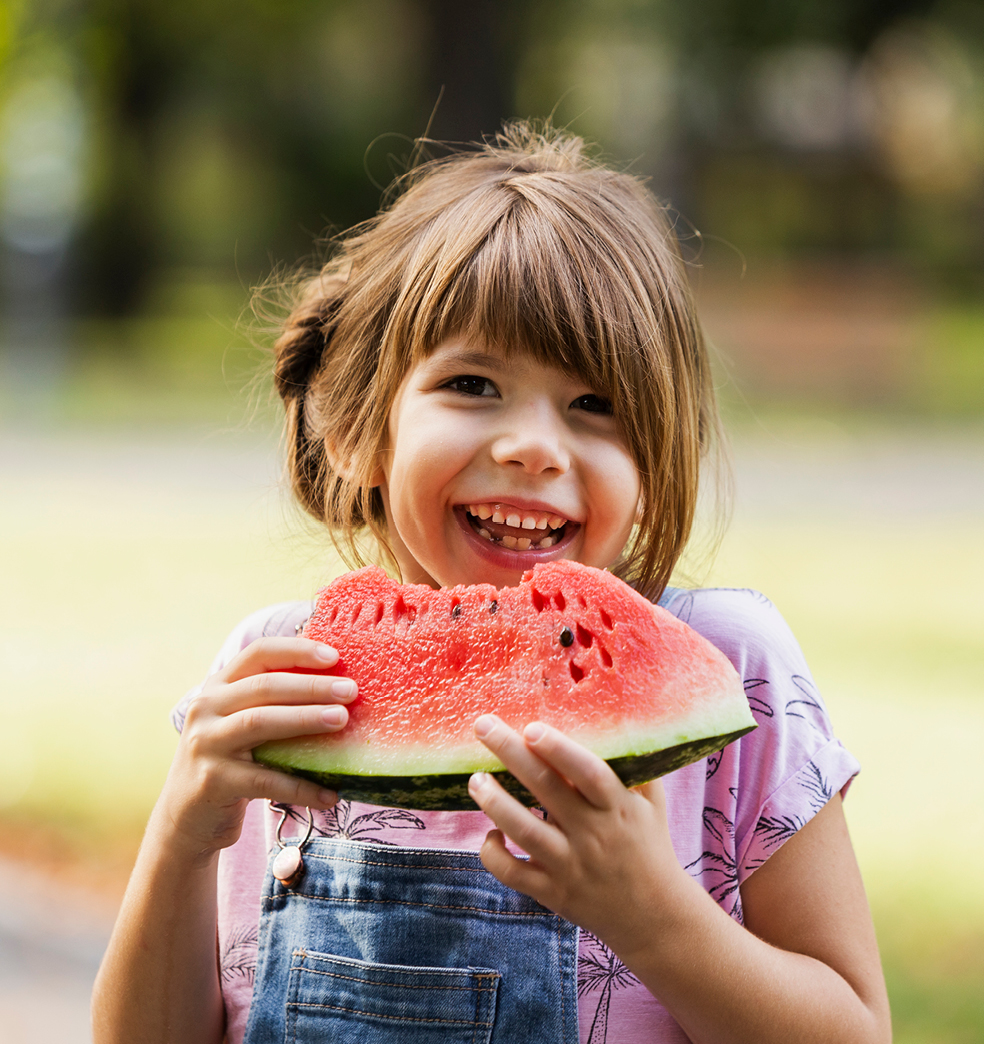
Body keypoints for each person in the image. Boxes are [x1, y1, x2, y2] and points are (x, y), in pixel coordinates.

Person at [92, 124, 891, 1044]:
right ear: (357, 427)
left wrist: (651, 913)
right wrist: (182, 834)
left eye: (597, 406)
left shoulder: (733, 669)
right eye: (472, 384)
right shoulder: (281, 677)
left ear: (658, 460)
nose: (533, 447)